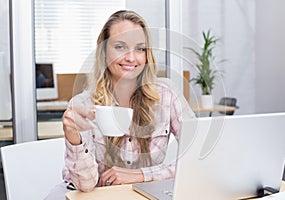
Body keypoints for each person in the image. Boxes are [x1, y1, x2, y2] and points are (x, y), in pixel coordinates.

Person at [45, 10, 195, 198]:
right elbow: (85, 184)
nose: (131, 58)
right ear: (103, 52)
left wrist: (141, 175)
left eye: (140, 49)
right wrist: (74, 138)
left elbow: (196, 158)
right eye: (120, 47)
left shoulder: (167, 96)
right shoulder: (83, 104)